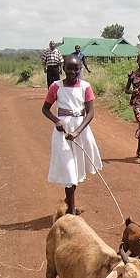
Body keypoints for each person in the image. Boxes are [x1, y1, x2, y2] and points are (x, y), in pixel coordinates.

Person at [42, 54, 102, 215]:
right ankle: (71, 210)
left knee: (77, 168)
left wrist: (77, 131)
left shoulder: (85, 87)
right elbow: (45, 109)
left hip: (80, 130)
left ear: (80, 69)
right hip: (62, 133)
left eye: (76, 69)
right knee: (69, 169)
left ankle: (70, 202)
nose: (72, 72)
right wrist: (56, 121)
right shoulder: (56, 86)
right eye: (69, 68)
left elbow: (90, 113)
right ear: (63, 69)